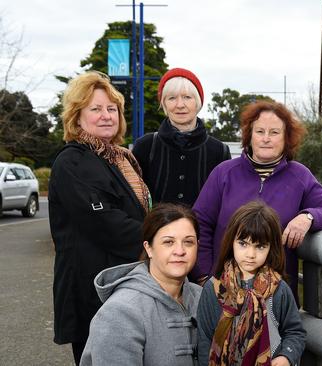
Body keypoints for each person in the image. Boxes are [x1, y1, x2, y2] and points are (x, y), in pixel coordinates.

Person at [192, 100, 322, 301]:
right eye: (260, 131)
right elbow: (199, 224)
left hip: (276, 298)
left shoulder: (299, 176)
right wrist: (205, 278)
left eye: (274, 132)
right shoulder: (224, 173)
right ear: (249, 135)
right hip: (224, 293)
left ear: (286, 138)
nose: (266, 139)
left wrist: (308, 217)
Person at [49, 71, 150, 365]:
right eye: (95, 109)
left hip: (121, 283)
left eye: (111, 109)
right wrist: (160, 238)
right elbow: (106, 223)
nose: (106, 116)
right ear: (77, 117)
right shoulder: (72, 162)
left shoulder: (120, 158)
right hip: (91, 289)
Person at [80, 204, 202, 366]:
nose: (179, 251)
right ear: (149, 248)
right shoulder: (120, 312)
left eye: (188, 242)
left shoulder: (202, 296)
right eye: (168, 242)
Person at [196, 201, 306, 366]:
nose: (251, 254)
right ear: (231, 241)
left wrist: (286, 357)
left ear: (271, 248)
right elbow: (204, 338)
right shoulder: (213, 288)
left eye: (260, 246)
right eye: (243, 244)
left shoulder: (279, 289)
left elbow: (295, 332)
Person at [132, 67, 231, 206]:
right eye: (172, 98)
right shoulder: (145, 146)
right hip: (154, 227)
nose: (180, 105)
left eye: (187, 97)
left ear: (198, 102)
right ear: (164, 103)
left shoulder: (220, 151)